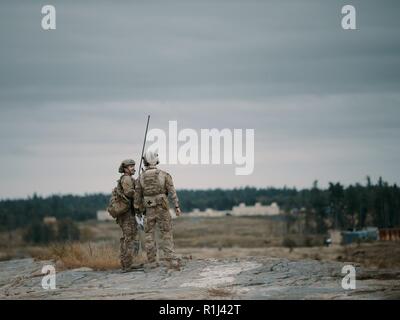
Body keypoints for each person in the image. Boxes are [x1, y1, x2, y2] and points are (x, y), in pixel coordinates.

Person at [134, 150, 181, 269]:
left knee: (149, 235)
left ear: (145, 161)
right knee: (166, 233)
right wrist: (176, 206)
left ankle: (152, 261)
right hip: (163, 208)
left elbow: (137, 197)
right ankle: (170, 259)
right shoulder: (164, 175)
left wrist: (138, 210)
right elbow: (172, 192)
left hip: (148, 210)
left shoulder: (140, 178)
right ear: (156, 160)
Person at [116, 159, 141, 271]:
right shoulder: (126, 179)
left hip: (129, 213)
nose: (133, 168)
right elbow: (128, 193)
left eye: (133, 166)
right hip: (126, 214)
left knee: (130, 236)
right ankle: (126, 265)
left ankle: (128, 263)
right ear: (125, 169)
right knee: (128, 238)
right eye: (131, 166)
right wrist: (138, 192)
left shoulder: (129, 179)